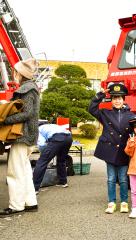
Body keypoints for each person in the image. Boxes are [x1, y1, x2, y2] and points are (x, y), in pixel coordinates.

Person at [0, 58, 40, 217]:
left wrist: (6, 119)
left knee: (15, 172)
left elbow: (27, 113)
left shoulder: (27, 89)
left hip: (22, 136)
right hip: (28, 136)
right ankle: (30, 203)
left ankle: (16, 205)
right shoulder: (31, 88)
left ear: (21, 73)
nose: (13, 73)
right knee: (24, 171)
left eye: (15, 71)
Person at [88, 83, 134, 214]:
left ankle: (124, 202)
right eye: (114, 98)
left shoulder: (131, 115)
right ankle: (112, 202)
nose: (117, 100)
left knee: (124, 179)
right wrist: (101, 94)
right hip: (110, 151)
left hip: (124, 152)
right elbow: (91, 109)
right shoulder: (105, 113)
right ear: (111, 100)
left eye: (120, 98)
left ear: (124, 99)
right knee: (111, 179)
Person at [32, 123, 73, 193]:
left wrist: (43, 155)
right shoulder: (52, 125)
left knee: (42, 162)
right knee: (61, 160)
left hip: (57, 138)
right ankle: (63, 182)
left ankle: (34, 188)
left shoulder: (38, 130)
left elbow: (42, 144)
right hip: (69, 138)